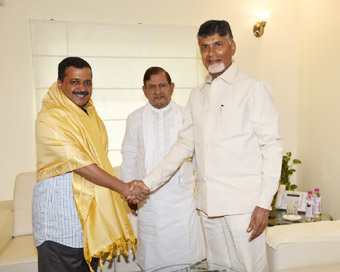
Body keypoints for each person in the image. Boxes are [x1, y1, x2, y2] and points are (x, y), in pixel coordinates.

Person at [133, 20, 283, 272]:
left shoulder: (254, 89)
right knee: (219, 269)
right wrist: (147, 183)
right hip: (208, 207)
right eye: (204, 47)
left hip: (244, 208)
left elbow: (272, 147)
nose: (211, 53)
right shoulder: (197, 95)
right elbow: (183, 146)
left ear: (232, 47)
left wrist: (264, 202)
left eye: (218, 45)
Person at [33, 57, 149, 272]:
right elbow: (80, 163)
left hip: (87, 223)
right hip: (60, 224)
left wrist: (122, 196)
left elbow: (100, 163)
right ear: (60, 84)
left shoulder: (89, 114)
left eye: (87, 82)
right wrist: (124, 189)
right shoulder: (49, 118)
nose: (82, 88)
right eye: (75, 82)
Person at [121, 67, 206, 271]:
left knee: (184, 261)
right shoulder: (135, 118)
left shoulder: (187, 115)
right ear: (144, 90)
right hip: (149, 201)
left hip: (181, 201)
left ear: (172, 87)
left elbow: (197, 158)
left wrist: (200, 195)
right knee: (154, 261)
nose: (157, 91)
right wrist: (129, 194)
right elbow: (129, 156)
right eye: (152, 87)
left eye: (162, 85)